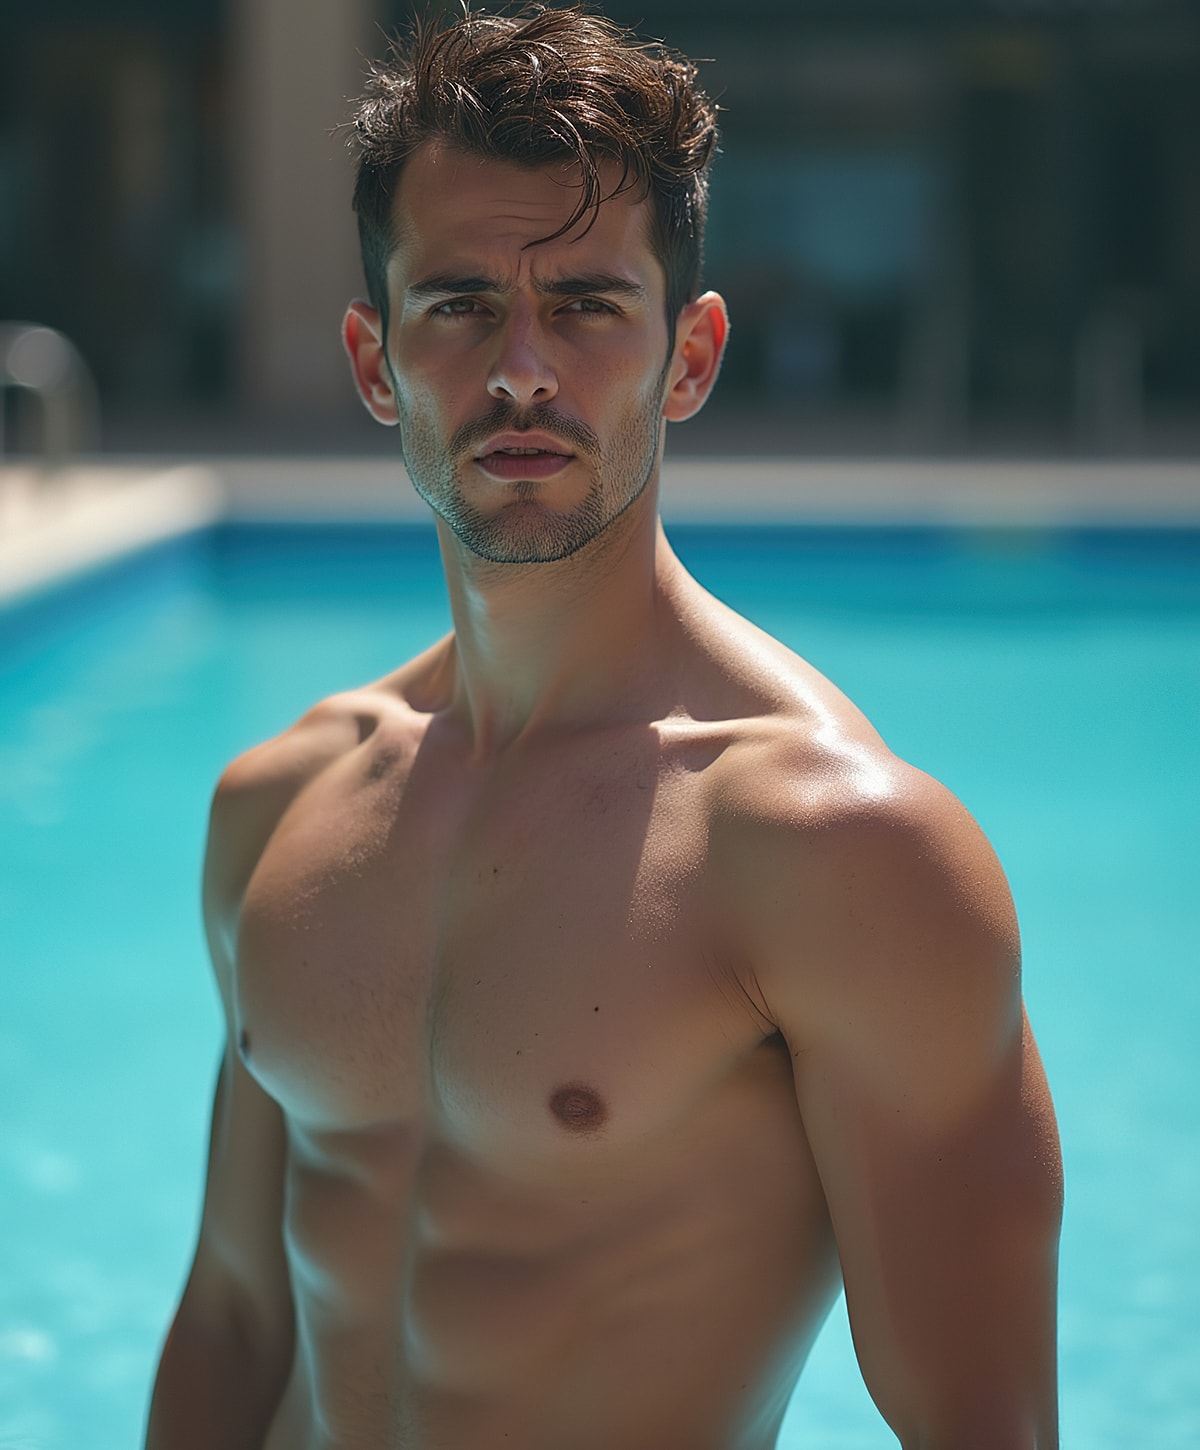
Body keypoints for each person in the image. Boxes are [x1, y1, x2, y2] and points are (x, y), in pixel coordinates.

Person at [145, 6, 1063, 1448]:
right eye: (456, 304)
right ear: (375, 361)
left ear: (688, 358)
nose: (522, 369)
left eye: (584, 304)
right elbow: (236, 1316)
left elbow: (983, 1425)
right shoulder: (278, 804)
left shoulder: (840, 852)